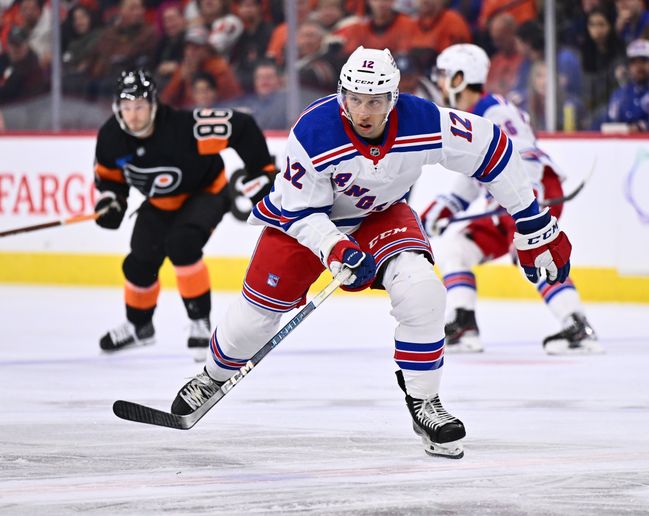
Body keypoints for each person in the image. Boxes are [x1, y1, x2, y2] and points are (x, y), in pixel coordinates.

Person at [169, 47, 576, 459]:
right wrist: (336, 249)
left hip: (379, 215)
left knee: (422, 291)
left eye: (376, 101)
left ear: (393, 99)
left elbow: (494, 149)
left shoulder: (423, 120)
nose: (364, 112)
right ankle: (212, 375)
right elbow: (301, 212)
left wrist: (534, 222)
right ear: (342, 95)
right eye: (356, 100)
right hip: (305, 225)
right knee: (251, 323)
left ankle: (424, 402)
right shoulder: (313, 132)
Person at [422, 43, 601, 355]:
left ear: (461, 78)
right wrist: (443, 208)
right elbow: (473, 174)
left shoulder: (495, 111)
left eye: (444, 74)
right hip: (506, 200)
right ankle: (463, 324)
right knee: (455, 248)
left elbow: (520, 158)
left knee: (532, 252)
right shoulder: (472, 116)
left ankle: (577, 326)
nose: (439, 81)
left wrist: (519, 204)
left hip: (530, 193)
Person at [93, 69, 276, 361]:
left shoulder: (184, 127)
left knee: (183, 244)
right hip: (160, 202)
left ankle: (199, 322)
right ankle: (139, 327)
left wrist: (261, 171)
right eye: (127, 108)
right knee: (139, 262)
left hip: (206, 193)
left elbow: (242, 127)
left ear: (153, 104)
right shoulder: (111, 137)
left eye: (139, 106)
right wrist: (111, 200)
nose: (134, 115)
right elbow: (109, 178)